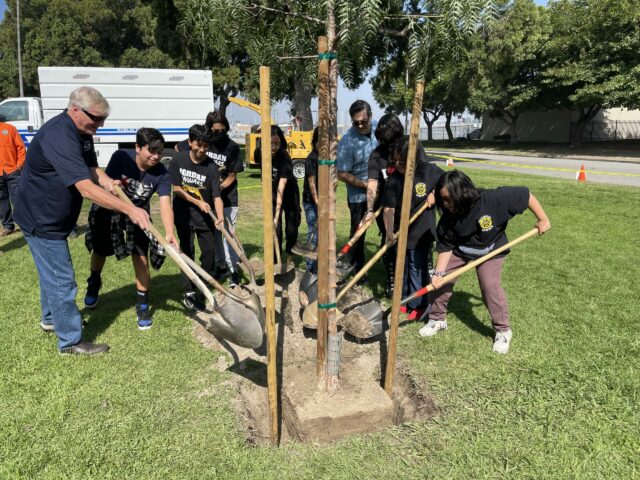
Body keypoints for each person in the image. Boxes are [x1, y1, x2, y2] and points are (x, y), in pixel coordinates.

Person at [14, 87, 150, 355]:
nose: (100, 125)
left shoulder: (82, 133)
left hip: (53, 216)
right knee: (61, 278)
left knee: (50, 274)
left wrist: (108, 181)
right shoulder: (59, 135)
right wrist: (129, 209)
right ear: (75, 110)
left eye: (103, 119)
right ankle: (71, 341)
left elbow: (90, 169)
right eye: (96, 119)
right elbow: (85, 188)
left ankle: (51, 320)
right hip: (41, 218)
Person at [420, 170, 551, 354]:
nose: (446, 205)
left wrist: (543, 218)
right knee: (440, 281)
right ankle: (437, 319)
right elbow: (446, 246)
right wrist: (439, 274)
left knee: (489, 286)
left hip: (491, 249)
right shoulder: (448, 218)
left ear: (462, 194)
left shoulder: (494, 199)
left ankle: (503, 331)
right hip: (461, 249)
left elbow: (525, 194)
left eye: (449, 199)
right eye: (443, 200)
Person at [84, 128, 176, 331]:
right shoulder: (120, 158)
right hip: (110, 208)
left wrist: (169, 232)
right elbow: (104, 184)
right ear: (137, 147)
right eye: (151, 151)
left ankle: (143, 305)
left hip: (139, 216)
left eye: (159, 152)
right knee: (100, 250)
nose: (156, 156)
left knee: (141, 257)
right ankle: (94, 280)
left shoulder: (162, 173)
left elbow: (165, 204)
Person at [382, 136, 444, 321]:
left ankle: (418, 305)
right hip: (402, 232)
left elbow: (448, 183)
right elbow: (389, 209)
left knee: (417, 267)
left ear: (414, 157)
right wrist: (389, 233)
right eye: (395, 160)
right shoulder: (394, 180)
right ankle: (404, 300)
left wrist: (436, 195)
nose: (398, 164)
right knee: (403, 267)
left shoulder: (429, 171)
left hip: (422, 232)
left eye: (402, 161)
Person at [169, 124, 224, 310]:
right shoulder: (178, 159)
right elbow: (176, 189)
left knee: (209, 254)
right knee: (186, 250)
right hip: (183, 215)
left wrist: (220, 218)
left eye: (205, 146)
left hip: (205, 218)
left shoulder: (212, 168)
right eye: (198, 145)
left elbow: (217, 197)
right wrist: (197, 202)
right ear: (190, 142)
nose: (202, 150)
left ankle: (201, 283)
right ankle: (189, 289)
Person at [361, 113, 404, 296]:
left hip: (412, 206)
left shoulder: (410, 146)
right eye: (384, 142)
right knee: (390, 243)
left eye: (392, 142)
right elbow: (372, 183)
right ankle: (392, 280)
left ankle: (415, 280)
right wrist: (370, 209)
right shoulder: (377, 155)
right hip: (388, 207)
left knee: (414, 245)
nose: (389, 147)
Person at [337, 100, 377, 277]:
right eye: (356, 122)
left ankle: (391, 268)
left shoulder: (379, 129)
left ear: (370, 116)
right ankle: (356, 270)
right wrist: (365, 184)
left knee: (389, 228)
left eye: (363, 121)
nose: (360, 125)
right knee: (358, 234)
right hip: (359, 197)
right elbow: (341, 173)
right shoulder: (347, 141)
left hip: (383, 193)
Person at [206, 111, 244, 286]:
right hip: (208, 201)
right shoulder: (204, 143)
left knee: (229, 235)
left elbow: (232, 176)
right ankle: (220, 266)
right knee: (215, 236)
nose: (219, 134)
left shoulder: (232, 147)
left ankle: (233, 270)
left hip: (228, 199)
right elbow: (181, 147)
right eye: (215, 131)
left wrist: (217, 189)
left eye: (222, 131)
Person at [255, 125, 301, 255]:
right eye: (271, 143)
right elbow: (262, 172)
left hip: (289, 194)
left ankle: (290, 257)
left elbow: (282, 186)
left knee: (291, 228)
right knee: (275, 229)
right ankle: (275, 260)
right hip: (272, 193)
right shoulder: (260, 153)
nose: (274, 147)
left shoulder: (285, 158)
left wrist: (276, 215)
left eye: (277, 143)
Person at [0, 114, 26, 237]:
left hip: (12, 171)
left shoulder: (9, 129)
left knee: (17, 198)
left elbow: (21, 148)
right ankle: (7, 226)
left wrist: (19, 166)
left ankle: (24, 223)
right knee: (1, 201)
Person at [301, 127, 319, 273]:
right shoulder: (311, 158)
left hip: (323, 202)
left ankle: (320, 264)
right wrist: (318, 202)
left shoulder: (327, 158)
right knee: (313, 233)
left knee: (323, 234)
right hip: (311, 202)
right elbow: (312, 183)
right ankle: (310, 267)